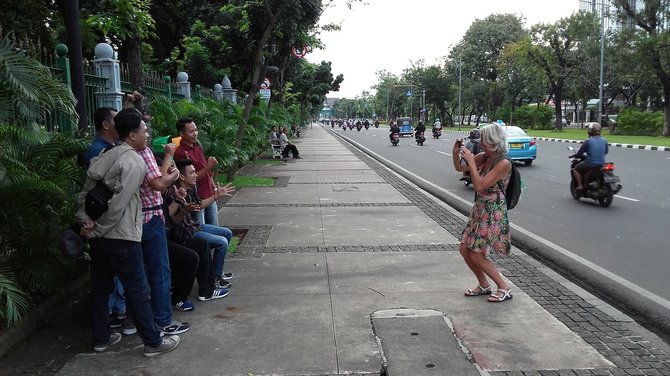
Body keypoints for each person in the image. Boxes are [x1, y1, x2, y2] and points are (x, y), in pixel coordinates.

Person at [76, 108, 180, 357]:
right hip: (120, 235)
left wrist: (86, 222)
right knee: (138, 289)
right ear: (132, 135)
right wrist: (99, 228)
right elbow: (119, 206)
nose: (148, 135)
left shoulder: (105, 153)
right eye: (144, 131)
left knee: (101, 288)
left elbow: (85, 193)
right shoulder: (134, 162)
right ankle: (153, 342)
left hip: (99, 236)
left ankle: (101, 338)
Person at [451, 123, 513, 303]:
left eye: (484, 140)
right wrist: (457, 153)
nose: (481, 143)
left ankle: (504, 287)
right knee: (464, 249)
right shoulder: (483, 157)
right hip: (480, 209)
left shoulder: (503, 163)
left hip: (493, 211)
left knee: (477, 254)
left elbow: (479, 185)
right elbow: (459, 168)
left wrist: (471, 162)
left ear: (493, 141)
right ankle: (484, 285)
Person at [174, 158, 236, 293]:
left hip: (195, 226)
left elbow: (200, 204)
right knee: (222, 242)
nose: (196, 175)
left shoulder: (191, 188)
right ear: (182, 176)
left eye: (195, 172)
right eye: (192, 173)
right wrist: (184, 209)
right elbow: (172, 219)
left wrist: (216, 196)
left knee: (227, 233)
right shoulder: (175, 192)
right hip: (187, 233)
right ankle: (215, 278)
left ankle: (216, 272)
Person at [174, 118, 221, 226]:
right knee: (202, 228)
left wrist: (214, 189)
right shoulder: (181, 153)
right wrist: (208, 167)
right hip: (197, 198)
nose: (195, 134)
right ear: (181, 133)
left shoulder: (197, 146)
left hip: (209, 193)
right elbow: (190, 179)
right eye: (191, 131)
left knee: (215, 227)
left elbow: (207, 173)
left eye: (196, 130)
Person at [572, 122, 608, 192]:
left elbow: (579, 154)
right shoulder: (604, 140)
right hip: (602, 164)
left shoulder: (588, 141)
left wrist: (573, 155)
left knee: (575, 169)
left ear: (590, 131)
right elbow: (606, 152)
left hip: (591, 163)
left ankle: (580, 186)